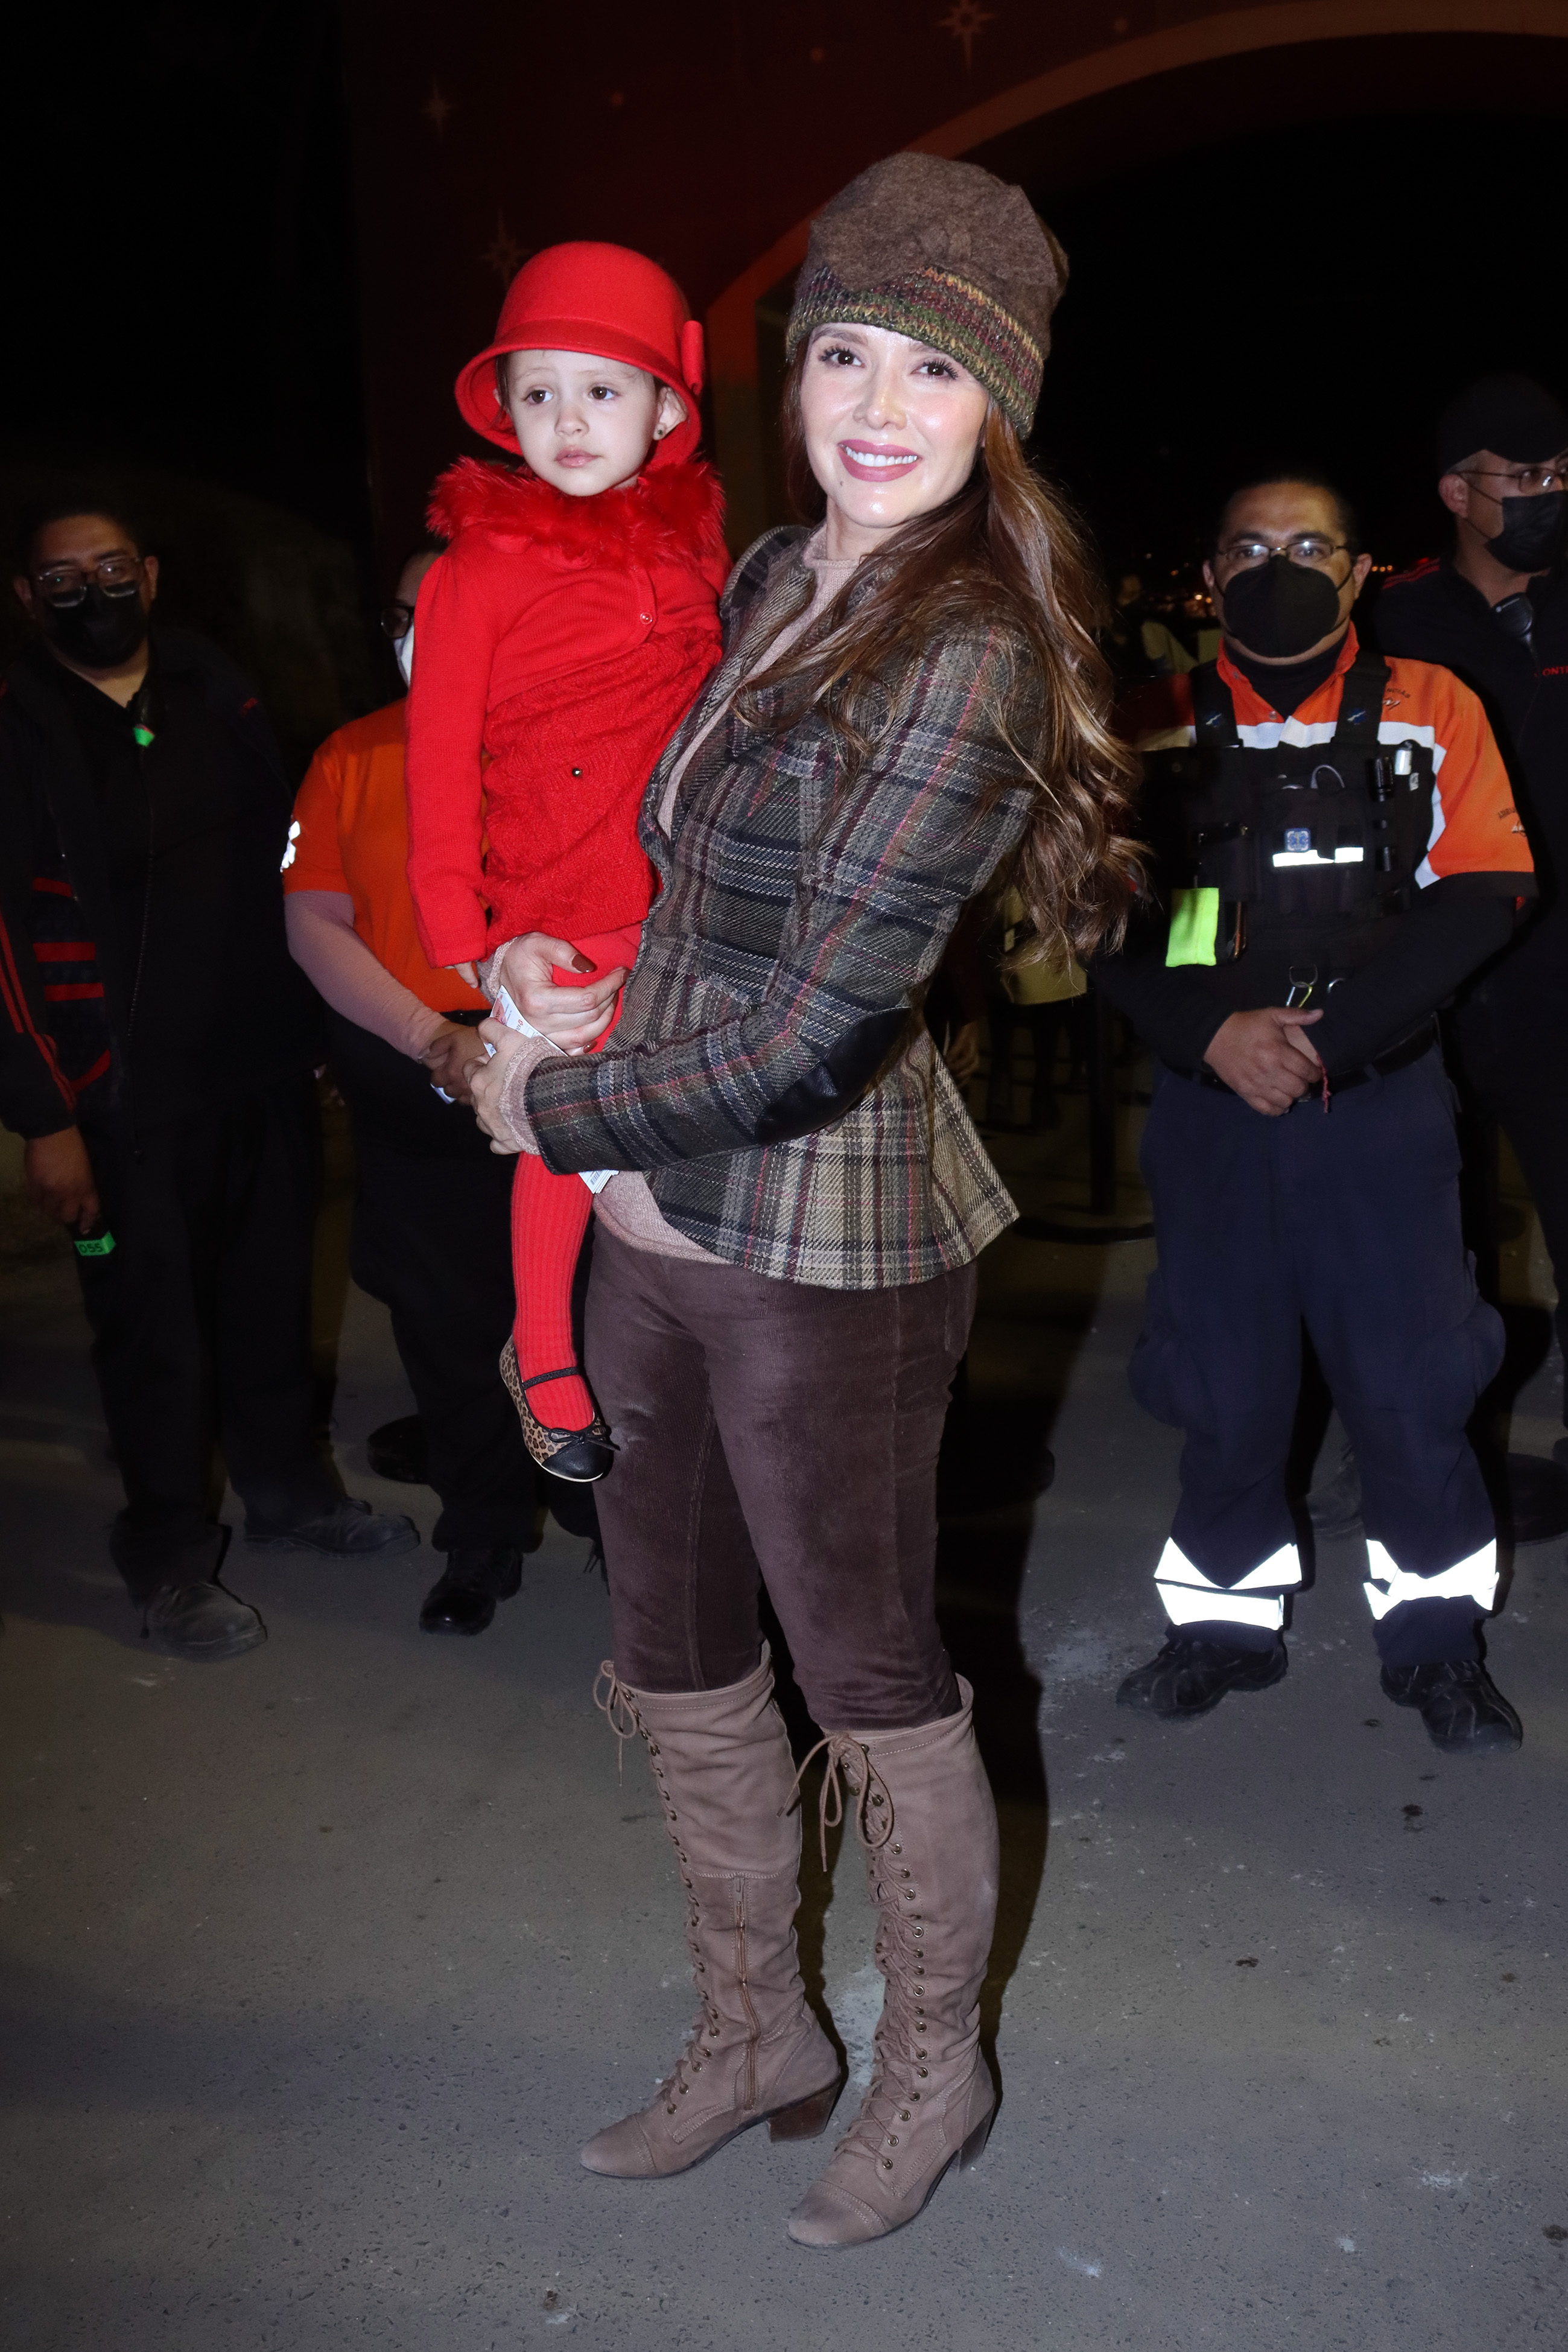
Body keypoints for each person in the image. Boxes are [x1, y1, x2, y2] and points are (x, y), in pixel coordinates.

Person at [466, 153, 1138, 2247]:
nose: (873, 398)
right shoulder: (772, 575)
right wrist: (537, 971)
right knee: (670, 1639)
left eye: (929, 365)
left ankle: (935, 2056)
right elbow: (693, 902)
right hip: (654, 1211)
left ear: (995, 403)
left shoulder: (970, 652)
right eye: (843, 348)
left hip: (821, 1237)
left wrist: (551, 1101)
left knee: (865, 1662)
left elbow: (820, 1021)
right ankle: (756, 2022)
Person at [1096, 472, 1535, 1755]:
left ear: (1355, 576)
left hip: (1378, 1108)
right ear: (1210, 572)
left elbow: (1485, 892)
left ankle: (1437, 1643)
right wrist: (1211, 1033)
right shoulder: (1145, 721)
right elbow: (1101, 918)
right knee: (1222, 1381)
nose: (1275, 564)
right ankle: (1220, 1626)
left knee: (1411, 1384)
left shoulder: (1430, 706)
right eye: (1246, 545)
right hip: (1211, 1106)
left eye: (1306, 545)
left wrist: (1331, 1043)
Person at [0, 498, 416, 1661]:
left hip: (256, 1071)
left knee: (269, 1303)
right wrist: (46, 1117)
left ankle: (289, 1494)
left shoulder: (212, 688)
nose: (94, 591)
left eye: (113, 567)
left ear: (153, 573)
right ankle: (172, 1559)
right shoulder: (20, 731)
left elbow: (281, 868)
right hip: (119, 1106)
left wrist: (318, 1025)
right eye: (63, 578)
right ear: (28, 601)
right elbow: (2, 946)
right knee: (153, 1340)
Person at [404, 244, 729, 1481]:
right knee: (558, 1119)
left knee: (671, 1139)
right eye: (539, 393)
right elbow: (435, 764)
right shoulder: (474, 569)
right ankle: (540, 1343)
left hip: (684, 895)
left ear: (664, 411)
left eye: (603, 390)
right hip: (553, 908)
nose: (568, 420)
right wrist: (478, 946)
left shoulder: (698, 554)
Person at [284, 547, 592, 1636]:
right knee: (449, 1327)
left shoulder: (582, 742)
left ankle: (612, 1522)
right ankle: (483, 1534)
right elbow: (313, 923)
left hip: (570, 1089)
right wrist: (432, 1039)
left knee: (598, 1316)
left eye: (453, 609)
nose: (426, 632)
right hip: (415, 1084)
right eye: (406, 613)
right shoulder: (353, 755)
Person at [1376, 377, 1568, 1483]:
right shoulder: (1401, 623)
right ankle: (1449, 1453)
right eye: (1523, 478)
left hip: (1562, 978)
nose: (1547, 495)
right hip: (1442, 970)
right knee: (1439, 1228)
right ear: (1459, 492)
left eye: (1558, 476)